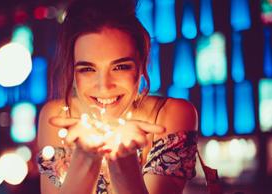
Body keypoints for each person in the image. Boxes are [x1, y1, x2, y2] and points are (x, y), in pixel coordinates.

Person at [37, 0, 198, 193]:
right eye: (87, 69)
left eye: (120, 67)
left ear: (141, 66)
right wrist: (86, 158)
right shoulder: (58, 117)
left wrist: (124, 160)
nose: (104, 86)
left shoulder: (170, 115)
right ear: (73, 71)